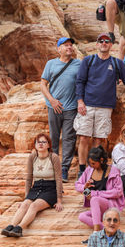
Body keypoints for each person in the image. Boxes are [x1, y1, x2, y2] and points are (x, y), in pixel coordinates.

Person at [75, 33, 125, 177]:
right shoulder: (88, 61)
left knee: (99, 139)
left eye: (107, 41)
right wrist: (80, 101)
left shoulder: (117, 63)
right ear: (97, 44)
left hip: (105, 107)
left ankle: (93, 168)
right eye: (101, 41)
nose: (104, 43)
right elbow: (80, 81)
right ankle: (82, 170)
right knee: (84, 138)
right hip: (88, 105)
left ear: (111, 45)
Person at [1, 133, 63, 237]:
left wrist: (59, 200)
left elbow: (59, 179)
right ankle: (11, 226)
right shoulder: (33, 157)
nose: (41, 144)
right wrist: (26, 198)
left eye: (44, 142)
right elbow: (29, 178)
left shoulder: (54, 157)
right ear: (35, 145)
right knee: (25, 205)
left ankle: (20, 228)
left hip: (50, 188)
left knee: (34, 205)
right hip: (36, 187)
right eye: (38, 142)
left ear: (48, 145)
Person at [40, 37, 81, 182]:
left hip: (71, 108)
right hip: (53, 107)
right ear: (59, 49)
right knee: (54, 138)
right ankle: (54, 167)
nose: (69, 47)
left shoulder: (79, 64)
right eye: (66, 45)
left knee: (69, 139)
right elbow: (43, 84)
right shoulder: (51, 64)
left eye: (71, 45)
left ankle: (64, 169)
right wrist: (51, 100)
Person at [76, 146, 125, 234]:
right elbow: (78, 185)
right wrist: (85, 189)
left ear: (101, 160)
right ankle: (108, 229)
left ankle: (96, 232)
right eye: (90, 163)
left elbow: (118, 191)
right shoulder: (89, 170)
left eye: (93, 163)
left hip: (110, 206)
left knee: (95, 199)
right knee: (82, 216)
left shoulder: (113, 171)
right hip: (97, 209)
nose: (91, 165)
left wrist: (96, 194)